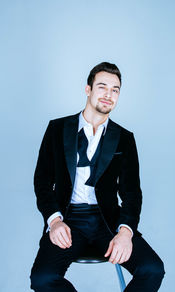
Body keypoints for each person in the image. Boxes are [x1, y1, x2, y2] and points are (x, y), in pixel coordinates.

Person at [30, 62, 165, 291]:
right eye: (102, 87)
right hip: (67, 218)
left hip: (108, 221)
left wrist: (125, 231)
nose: (108, 95)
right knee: (42, 279)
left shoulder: (125, 138)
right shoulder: (56, 129)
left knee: (152, 269)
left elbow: (132, 194)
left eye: (115, 90)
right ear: (88, 89)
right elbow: (42, 182)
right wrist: (54, 221)